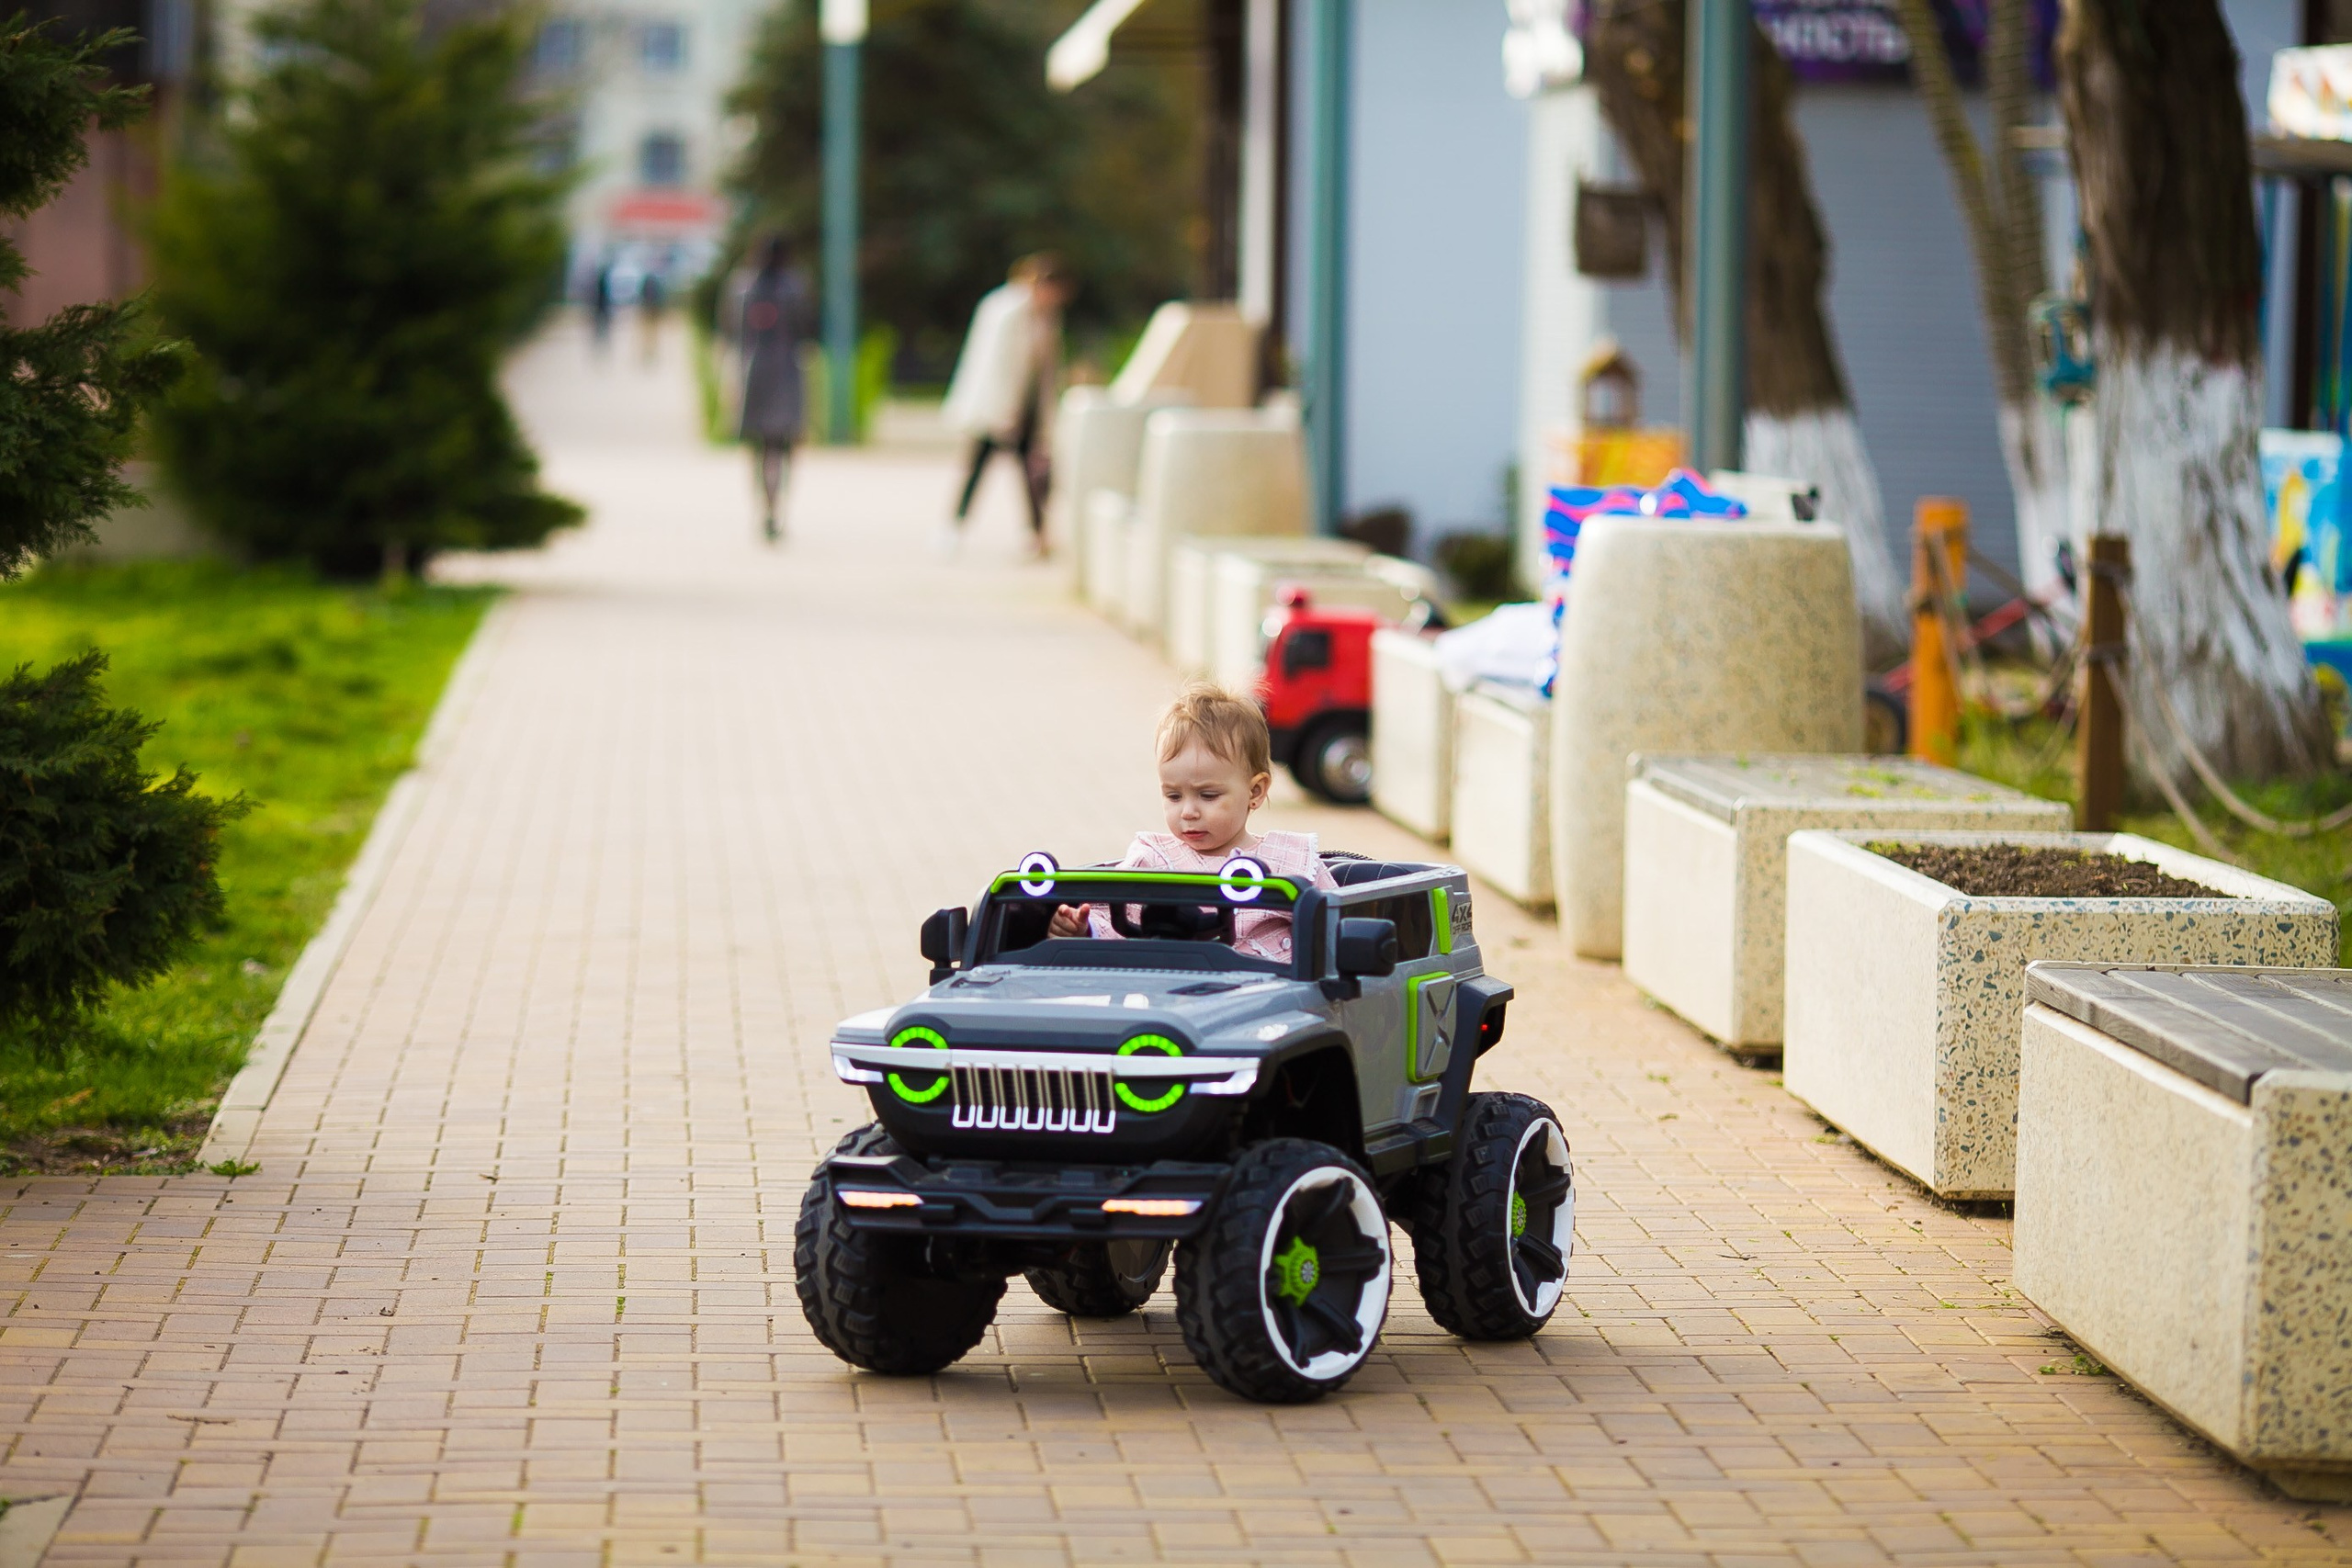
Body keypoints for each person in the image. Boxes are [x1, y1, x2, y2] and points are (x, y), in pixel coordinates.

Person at [1048, 682, 1339, 963]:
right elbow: (1116, 920)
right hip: (1177, 998)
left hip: (1273, 1004)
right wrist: (1084, 928)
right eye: (1173, 796)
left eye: (1207, 795)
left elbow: (1337, 928)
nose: (1188, 812)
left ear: (1255, 792)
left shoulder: (1292, 863)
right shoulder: (1153, 860)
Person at [941, 253, 1070, 557]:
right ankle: (954, 527)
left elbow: (1045, 368)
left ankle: (1036, 533)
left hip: (1025, 407)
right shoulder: (1007, 310)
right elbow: (998, 366)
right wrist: (1004, 411)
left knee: (1029, 472)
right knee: (979, 467)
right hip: (997, 406)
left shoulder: (1046, 316)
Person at [734, 235, 814, 543]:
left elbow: (732, 331)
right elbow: (805, 328)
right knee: (782, 446)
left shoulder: (742, 287)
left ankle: (764, 505)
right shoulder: (793, 287)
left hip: (753, 373)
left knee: (759, 447)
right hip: (786, 373)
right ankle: (777, 507)